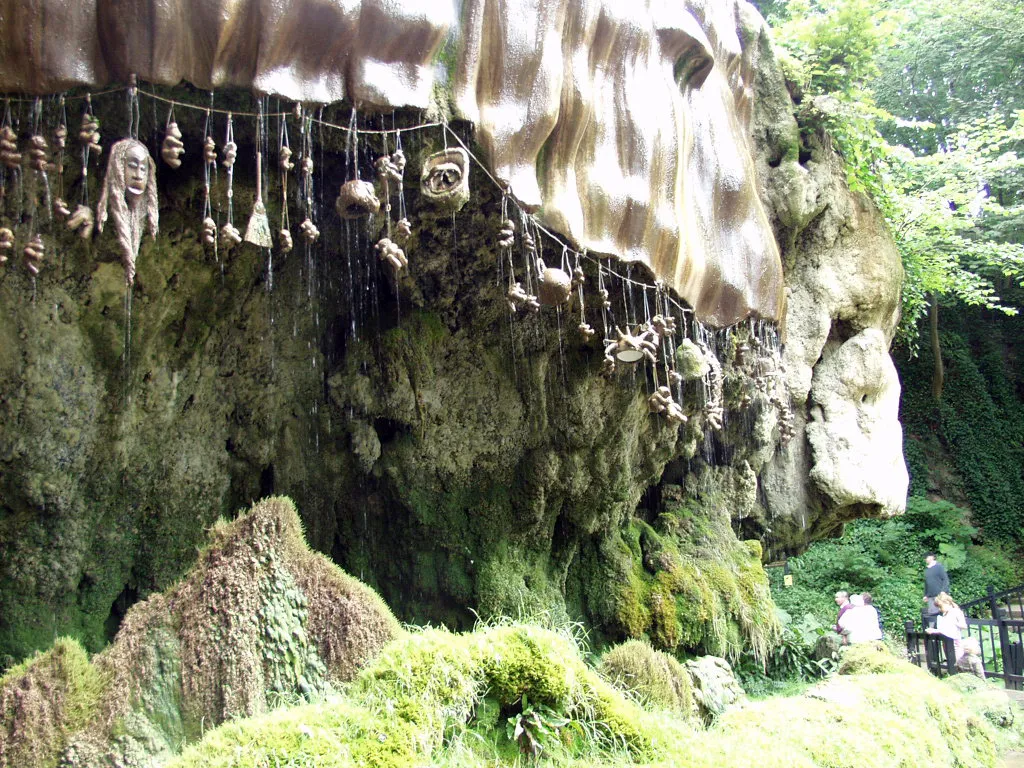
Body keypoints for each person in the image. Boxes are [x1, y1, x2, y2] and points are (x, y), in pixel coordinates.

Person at [926, 591, 967, 661]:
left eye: (940, 606)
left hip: (955, 642)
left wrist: (954, 623)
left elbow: (964, 626)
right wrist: (933, 631)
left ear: (947, 603)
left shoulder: (956, 611)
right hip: (945, 641)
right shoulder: (944, 614)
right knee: (950, 661)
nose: (939, 609)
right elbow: (944, 629)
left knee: (956, 661)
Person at [922, 553, 950, 628]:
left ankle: (945, 631)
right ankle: (932, 633)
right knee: (932, 614)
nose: (925, 559)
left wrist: (943, 591)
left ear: (932, 557)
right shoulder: (927, 570)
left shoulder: (939, 567)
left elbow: (945, 579)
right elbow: (926, 583)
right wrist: (925, 595)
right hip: (931, 596)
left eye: (926, 557)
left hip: (940, 596)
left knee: (943, 613)